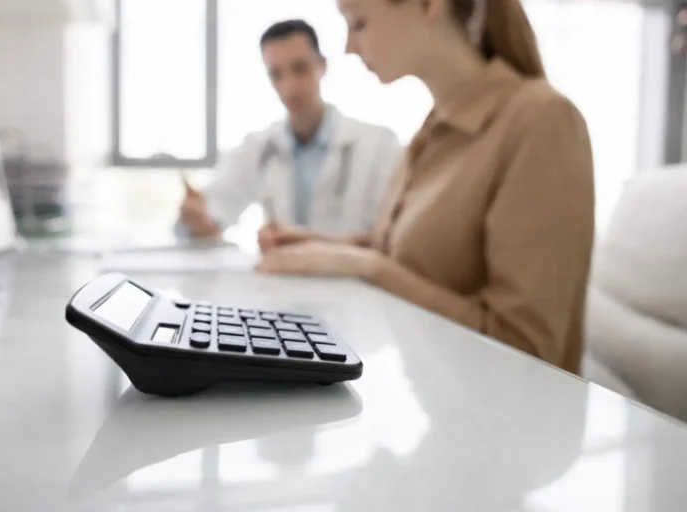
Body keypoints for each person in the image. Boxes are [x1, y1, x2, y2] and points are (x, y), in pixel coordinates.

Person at [256, 0, 596, 375]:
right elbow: (396, 251)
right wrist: (313, 243)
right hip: (436, 401)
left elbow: (529, 352)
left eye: (360, 22)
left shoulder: (541, 122)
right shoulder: (433, 130)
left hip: (506, 421)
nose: (350, 47)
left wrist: (370, 268)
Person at [178, 19, 402, 239]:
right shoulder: (259, 148)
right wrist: (197, 221)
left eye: (300, 68)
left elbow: (391, 235)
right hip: (280, 274)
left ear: (322, 65)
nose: (289, 86)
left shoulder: (379, 146)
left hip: (351, 275)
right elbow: (213, 211)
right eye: (276, 74)